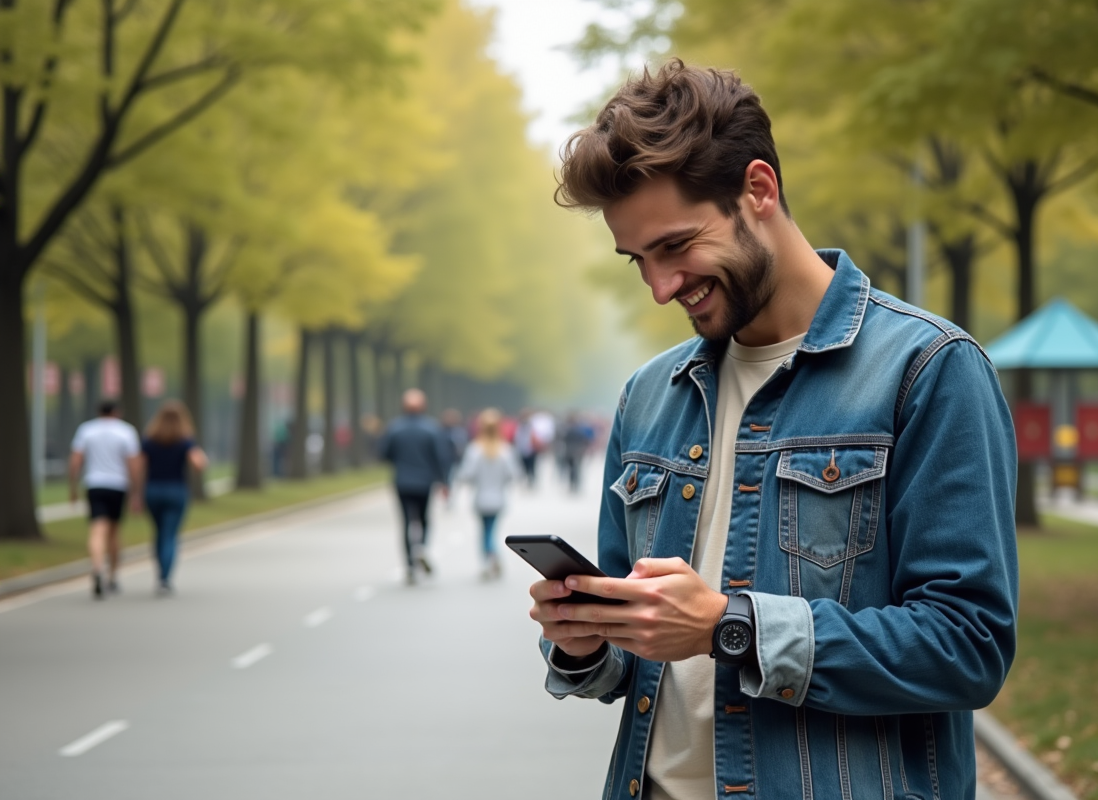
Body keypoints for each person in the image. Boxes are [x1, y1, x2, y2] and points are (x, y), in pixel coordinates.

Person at [526, 61, 1018, 800]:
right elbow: (639, 662)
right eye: (638, 261)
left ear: (758, 190)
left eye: (675, 246)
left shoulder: (928, 370)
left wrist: (733, 627)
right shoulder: (649, 395)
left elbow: (968, 648)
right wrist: (585, 641)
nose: (660, 288)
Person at [68, 400, 142, 599]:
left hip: (94, 484)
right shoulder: (126, 431)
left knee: (97, 529)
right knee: (114, 532)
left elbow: (75, 460)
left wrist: (73, 487)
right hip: (118, 486)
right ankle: (113, 576)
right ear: (117, 412)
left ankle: (97, 567)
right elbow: (133, 463)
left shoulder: (86, 430)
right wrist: (136, 492)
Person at [378, 389, 452, 584]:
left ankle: (410, 565)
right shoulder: (431, 428)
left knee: (405, 523)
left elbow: (384, 453)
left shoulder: (394, 428)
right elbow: (440, 457)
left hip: (402, 481)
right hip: (424, 481)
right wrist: (445, 481)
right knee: (424, 519)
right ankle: (422, 548)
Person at [139, 401, 208, 595]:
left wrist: (136, 492)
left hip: (153, 489)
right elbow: (200, 463)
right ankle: (165, 578)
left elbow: (139, 467)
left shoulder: (150, 440)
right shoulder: (185, 441)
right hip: (176, 490)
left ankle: (159, 572)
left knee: (159, 532)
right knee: (170, 534)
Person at [457, 408, 521, 580]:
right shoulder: (505, 450)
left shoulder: (474, 450)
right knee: (491, 530)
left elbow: (466, 475)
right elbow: (514, 474)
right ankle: (491, 556)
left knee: (484, 531)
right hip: (499, 498)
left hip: (480, 498)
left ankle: (489, 557)